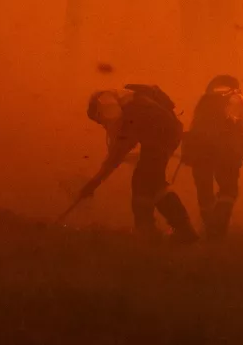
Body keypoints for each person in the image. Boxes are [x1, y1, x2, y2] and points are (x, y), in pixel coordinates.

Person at [81, 84, 195, 242]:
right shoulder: (135, 103)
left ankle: (153, 231)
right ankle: (171, 230)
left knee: (145, 182)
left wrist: (94, 182)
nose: (103, 124)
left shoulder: (132, 111)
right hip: (166, 136)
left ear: (104, 108)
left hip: (160, 138)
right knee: (150, 182)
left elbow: (119, 152)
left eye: (100, 119)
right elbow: (124, 146)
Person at [183, 75, 243, 239]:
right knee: (228, 190)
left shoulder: (204, 100)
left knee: (204, 190)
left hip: (201, 150)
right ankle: (218, 231)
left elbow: (195, 126)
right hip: (228, 150)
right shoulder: (239, 99)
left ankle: (209, 229)